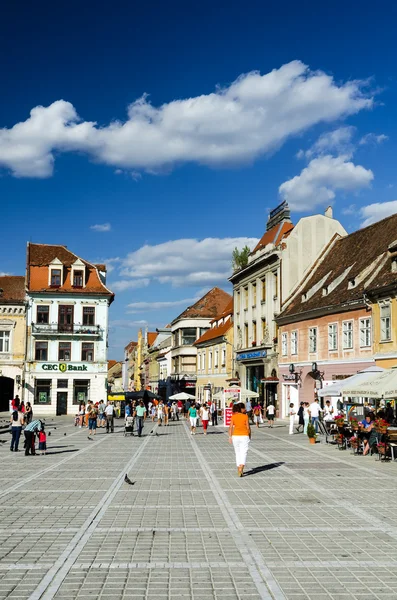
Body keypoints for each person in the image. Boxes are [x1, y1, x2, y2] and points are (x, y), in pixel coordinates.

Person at [229, 402, 251, 477]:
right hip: (244, 435)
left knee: (237, 452)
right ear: (241, 409)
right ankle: (241, 467)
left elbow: (231, 427)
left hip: (235, 436)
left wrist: (230, 436)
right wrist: (249, 435)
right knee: (244, 452)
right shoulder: (245, 416)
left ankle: (238, 468)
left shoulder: (233, 417)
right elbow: (248, 427)